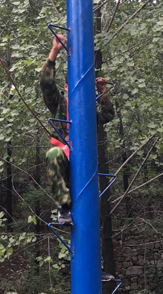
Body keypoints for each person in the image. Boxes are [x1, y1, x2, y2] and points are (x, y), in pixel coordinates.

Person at [40, 34, 115, 225]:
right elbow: (46, 84)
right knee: (53, 154)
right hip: (65, 160)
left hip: (84, 161)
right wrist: (55, 50)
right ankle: (63, 205)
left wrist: (102, 92)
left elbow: (108, 114)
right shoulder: (59, 104)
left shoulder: (89, 111)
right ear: (66, 87)